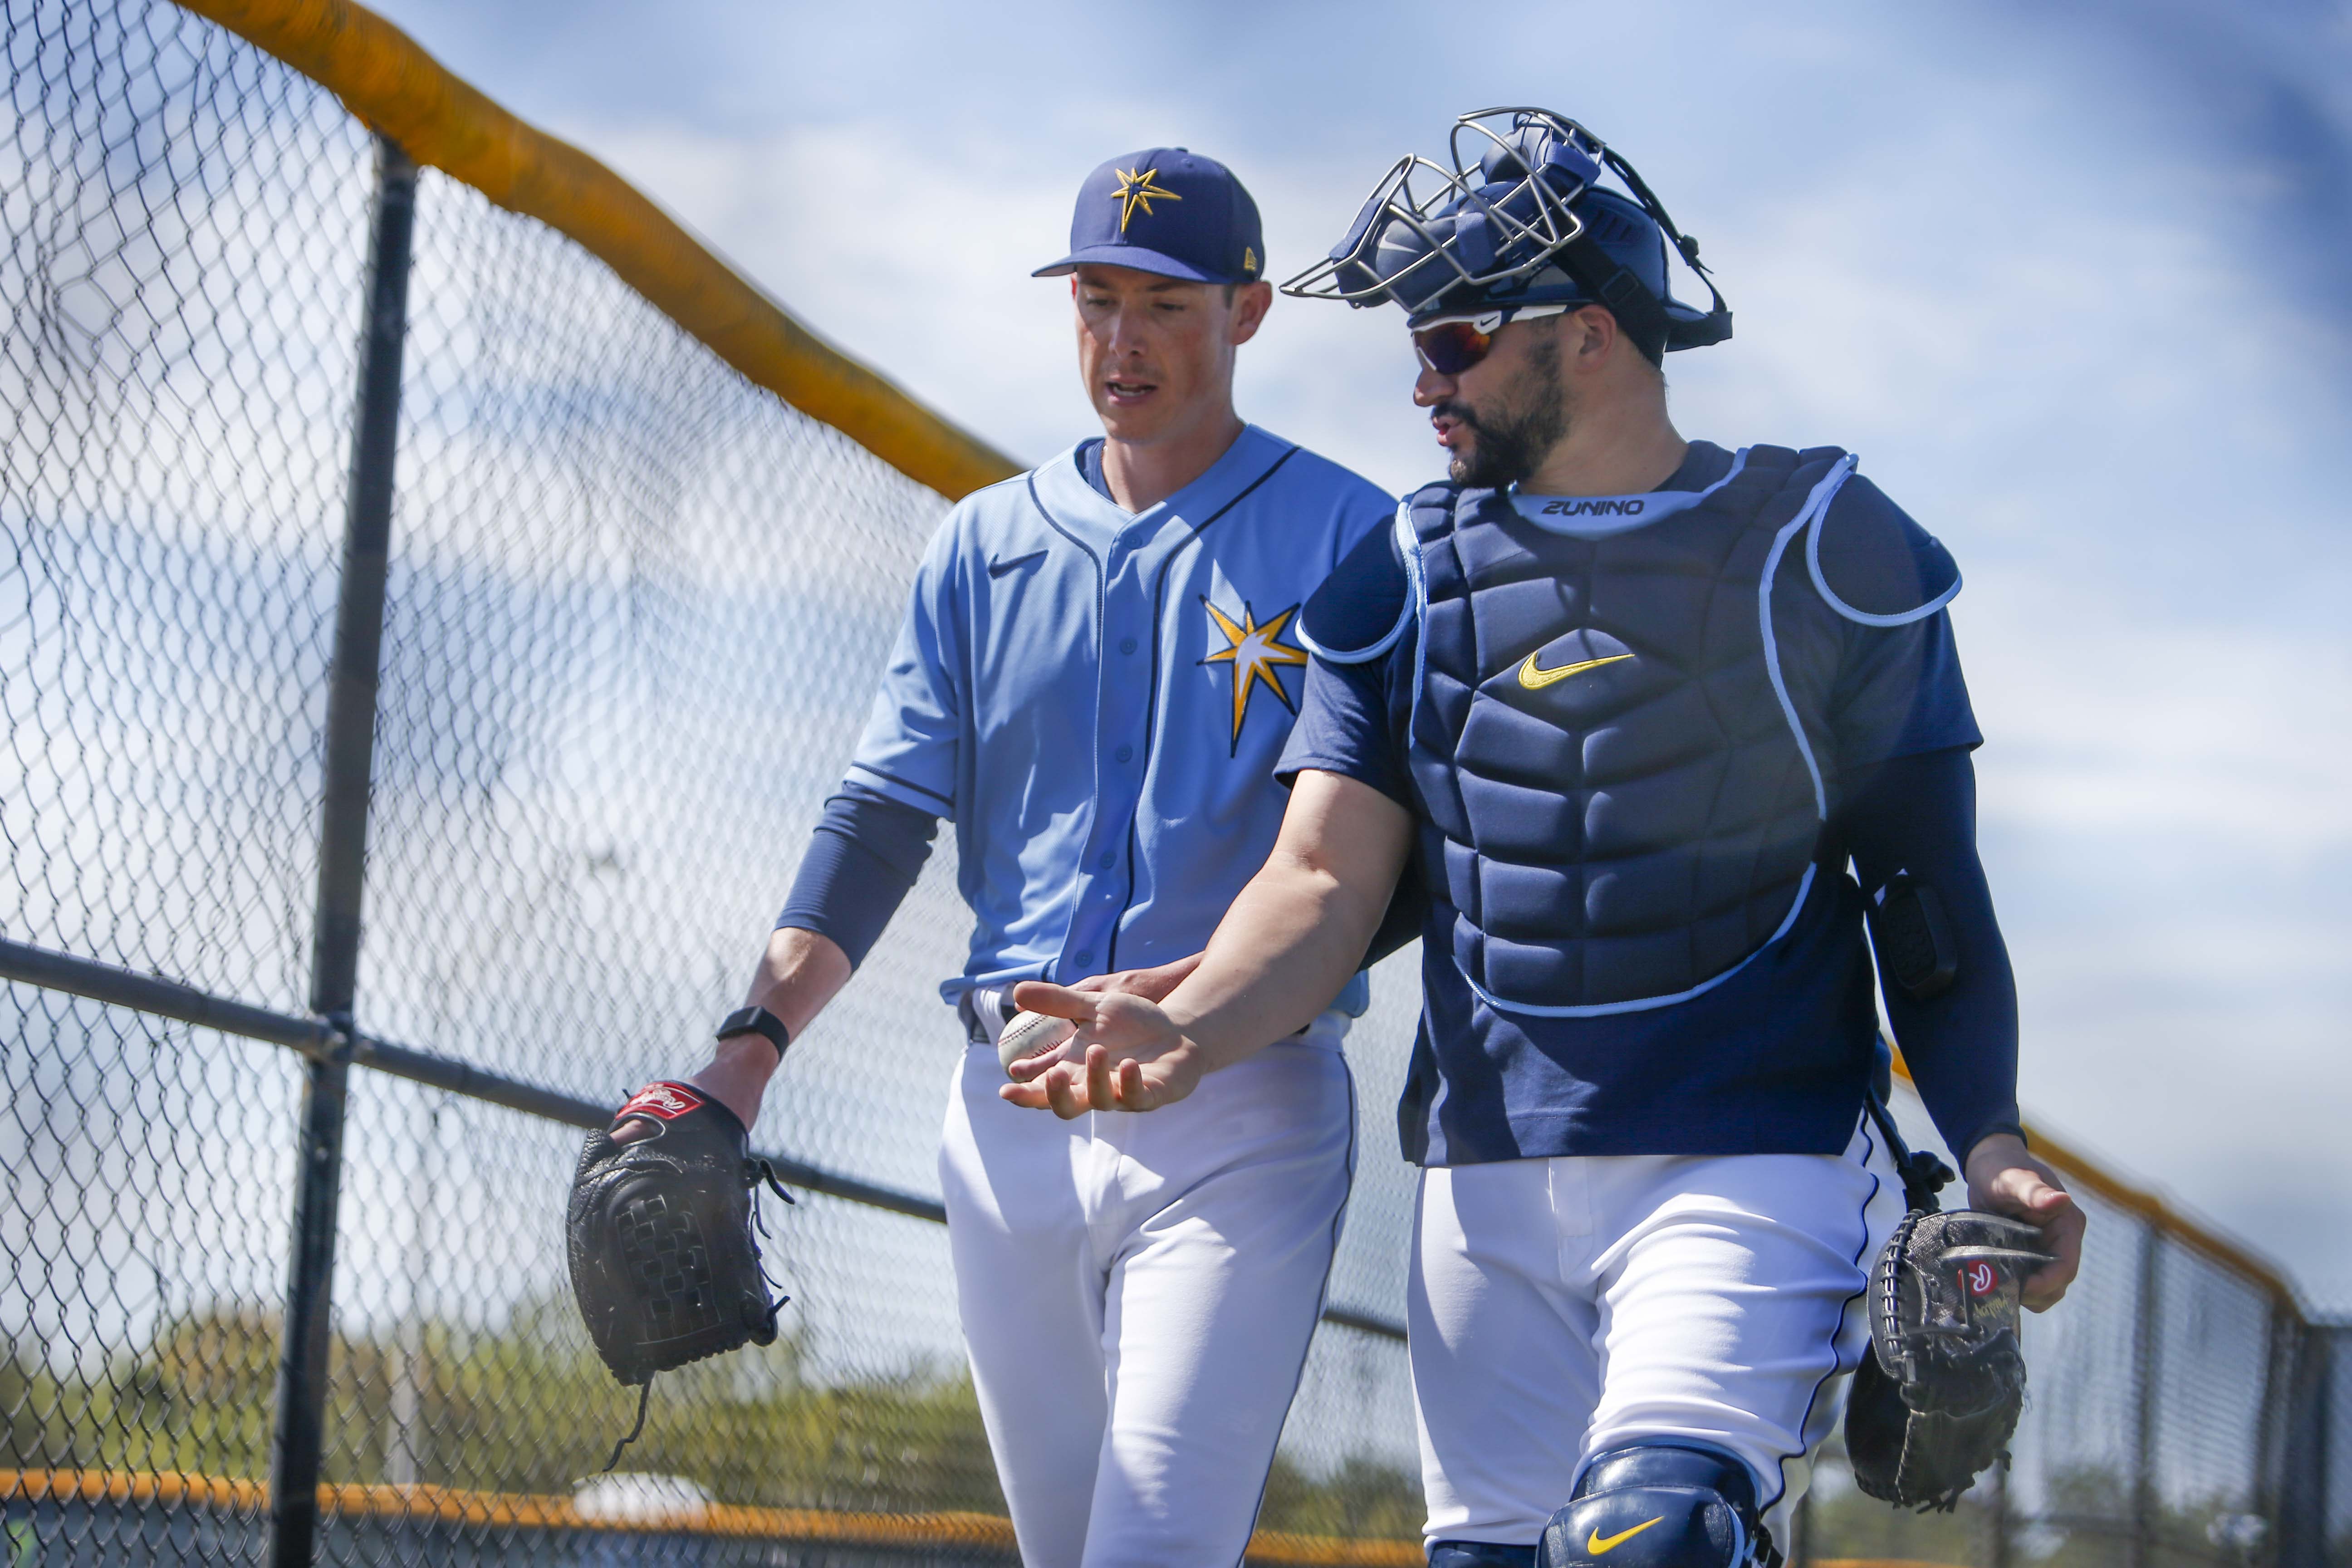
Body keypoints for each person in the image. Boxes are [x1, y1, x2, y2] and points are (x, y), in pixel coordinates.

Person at [1002, 109, 2086, 1568]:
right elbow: (1322, 880)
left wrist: (1993, 1140)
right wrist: (1188, 1024)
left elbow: (1926, 888)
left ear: (1586, 336)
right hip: (1483, 1177)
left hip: (1746, 1160)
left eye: (1451, 341)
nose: (1419, 383)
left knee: (1653, 1537)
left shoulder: (1825, 540)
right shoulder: (1402, 569)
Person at [608, 147, 1394, 1566]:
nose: (1122, 339)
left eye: (1164, 303)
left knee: (1151, 1545)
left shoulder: (1348, 536)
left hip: (1233, 1091)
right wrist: (749, 1048)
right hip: (1008, 1094)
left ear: (1250, 312)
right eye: (1096, 299)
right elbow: (879, 818)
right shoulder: (979, 545)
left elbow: (1367, 856)